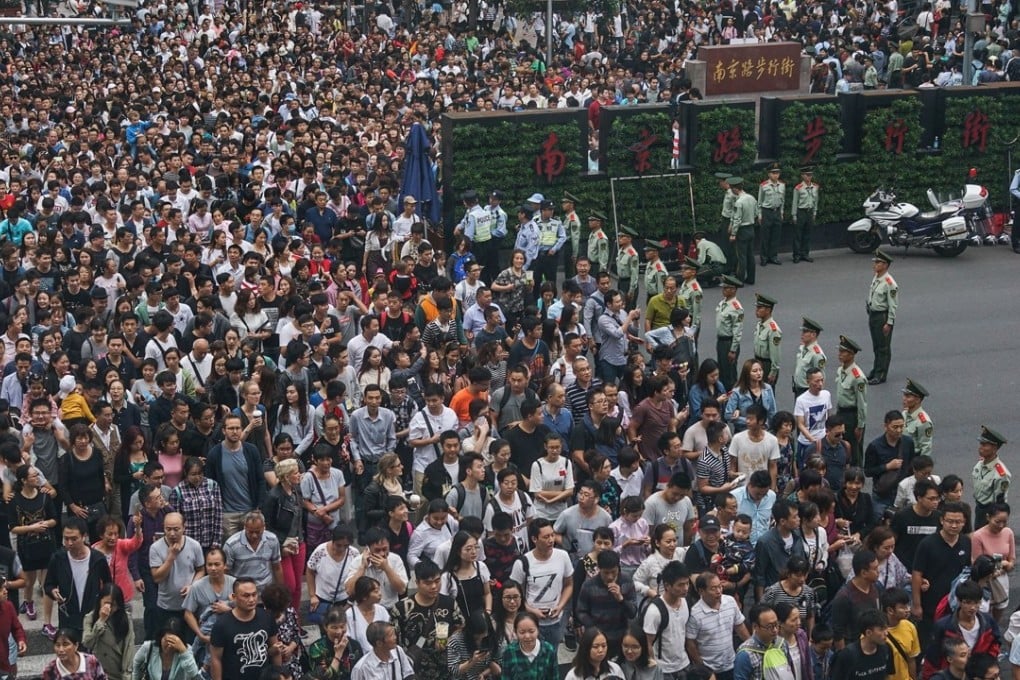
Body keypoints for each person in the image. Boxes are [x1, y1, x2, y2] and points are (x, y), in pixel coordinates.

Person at [389, 558, 462, 678]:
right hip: (414, 668)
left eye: (437, 581)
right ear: (417, 583)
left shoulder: (449, 603)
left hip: (445, 668)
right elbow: (394, 640)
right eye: (428, 583)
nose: (434, 586)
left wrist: (450, 641)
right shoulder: (401, 608)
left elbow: (460, 627)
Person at [913, 502, 973, 646]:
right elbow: (916, 574)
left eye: (958, 522)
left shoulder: (966, 542)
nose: (954, 525)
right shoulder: (927, 544)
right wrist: (916, 605)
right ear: (942, 521)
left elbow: (967, 571)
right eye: (950, 521)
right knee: (930, 644)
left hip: (956, 604)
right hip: (931, 604)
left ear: (964, 522)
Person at [509, 518, 574, 648]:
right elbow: (515, 594)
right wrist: (530, 610)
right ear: (534, 539)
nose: (551, 540)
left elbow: (568, 584)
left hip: (555, 620)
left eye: (552, 535)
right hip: (530, 622)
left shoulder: (562, 556)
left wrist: (560, 606)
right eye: (546, 537)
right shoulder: (523, 562)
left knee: (551, 655)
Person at [44, 516, 112, 636]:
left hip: (92, 617)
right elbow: (49, 584)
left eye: (74, 539)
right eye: (66, 539)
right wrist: (53, 591)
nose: (69, 543)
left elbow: (108, 584)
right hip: (68, 618)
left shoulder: (97, 559)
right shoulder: (58, 558)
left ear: (84, 536)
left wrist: (105, 604)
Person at [209, 577, 281, 680]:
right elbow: (216, 659)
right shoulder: (222, 625)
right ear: (234, 597)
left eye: (254, 594)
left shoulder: (267, 617)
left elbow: (275, 649)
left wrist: (279, 675)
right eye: (246, 596)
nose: (251, 599)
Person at [148, 511, 205, 635]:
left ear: (184, 527)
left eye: (176, 529)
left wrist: (193, 586)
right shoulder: (155, 548)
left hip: (189, 606)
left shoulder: (194, 545)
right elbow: (157, 577)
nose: (172, 533)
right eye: (168, 529)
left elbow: (201, 570)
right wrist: (171, 557)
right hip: (166, 606)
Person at [686, 572, 751, 680]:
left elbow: (740, 627)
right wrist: (702, 667)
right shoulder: (695, 614)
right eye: (713, 588)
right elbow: (691, 644)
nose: (719, 591)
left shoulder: (730, 602)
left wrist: (751, 647)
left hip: (732, 664)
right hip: (710, 671)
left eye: (720, 586)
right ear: (701, 591)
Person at [641, 560, 691, 677]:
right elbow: (647, 642)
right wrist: (654, 669)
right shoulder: (654, 611)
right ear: (667, 585)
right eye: (680, 585)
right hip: (663, 670)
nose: (685, 588)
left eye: (687, 583)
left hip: (684, 664)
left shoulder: (685, 602)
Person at [753, 499, 806, 600]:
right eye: (794, 517)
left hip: (796, 593)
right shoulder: (765, 542)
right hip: (776, 596)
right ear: (782, 521)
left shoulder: (798, 536)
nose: (799, 519)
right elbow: (760, 576)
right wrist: (761, 603)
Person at [830, 550, 882, 648]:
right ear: (864, 573)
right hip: (854, 648)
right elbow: (838, 633)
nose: (878, 571)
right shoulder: (844, 597)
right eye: (875, 569)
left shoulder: (877, 588)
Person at [222, 510, 284, 589]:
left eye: (258, 532)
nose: (254, 535)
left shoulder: (272, 540)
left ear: (264, 527)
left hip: (265, 588)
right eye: (250, 532)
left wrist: (281, 589)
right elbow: (226, 572)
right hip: (242, 589)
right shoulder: (231, 544)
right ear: (245, 527)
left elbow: (277, 567)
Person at [82, 584, 133, 680]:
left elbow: (128, 647)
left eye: (113, 605)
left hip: (118, 671)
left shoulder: (125, 619)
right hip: (99, 671)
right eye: (106, 603)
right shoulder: (90, 618)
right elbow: (87, 642)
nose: (110, 608)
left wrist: (127, 674)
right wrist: (101, 621)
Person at [830, 610, 894, 680]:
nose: (886, 633)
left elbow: (888, 675)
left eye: (886, 628)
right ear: (868, 632)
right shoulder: (847, 655)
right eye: (881, 630)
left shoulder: (886, 649)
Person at [834, 335, 868, 465]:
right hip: (841, 413)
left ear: (852, 354)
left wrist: (860, 426)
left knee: (854, 448)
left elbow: (862, 403)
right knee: (841, 444)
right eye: (840, 351)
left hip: (852, 415)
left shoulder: (857, 377)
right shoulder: (840, 370)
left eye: (843, 352)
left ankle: (857, 474)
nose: (839, 354)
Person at [866, 249, 897, 385]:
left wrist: (889, 323)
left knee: (883, 347)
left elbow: (893, 305)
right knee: (876, 346)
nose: (875, 264)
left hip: (882, 317)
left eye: (878, 262)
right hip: (873, 315)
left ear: (885, 265)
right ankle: (876, 370)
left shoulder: (890, 283)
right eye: (875, 262)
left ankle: (881, 374)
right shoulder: (877, 277)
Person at [499, 611, 560, 679]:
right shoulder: (509, 652)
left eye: (531, 631)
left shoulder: (549, 650)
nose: (527, 636)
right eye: (522, 632)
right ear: (516, 632)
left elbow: (554, 677)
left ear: (538, 630)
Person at [971, 426, 1011, 529]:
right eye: (980, 444)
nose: (980, 447)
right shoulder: (979, 464)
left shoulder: (1001, 474)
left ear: (994, 448)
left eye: (984, 445)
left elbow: (1000, 502)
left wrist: (994, 522)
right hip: (979, 509)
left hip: (989, 513)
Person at [349, 620, 415, 680]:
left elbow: (408, 674)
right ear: (379, 643)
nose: (395, 637)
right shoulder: (361, 668)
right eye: (391, 635)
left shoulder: (398, 651)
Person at [882, 588, 921, 680]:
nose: (907, 609)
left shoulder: (910, 627)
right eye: (902, 607)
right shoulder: (874, 632)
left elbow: (911, 659)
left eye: (907, 605)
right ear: (890, 610)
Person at [41, 628, 108, 680]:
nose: (61, 650)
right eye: (57, 645)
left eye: (65, 644)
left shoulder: (91, 661)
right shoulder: (50, 670)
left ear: (76, 645)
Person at [715, 276, 744, 389]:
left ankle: (732, 397)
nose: (723, 290)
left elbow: (738, 330)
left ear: (733, 290)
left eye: (726, 288)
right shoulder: (723, 303)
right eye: (724, 288)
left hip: (729, 342)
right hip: (721, 341)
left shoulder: (736, 308)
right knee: (721, 371)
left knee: (729, 374)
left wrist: (733, 350)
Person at [727, 178, 757, 285]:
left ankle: (740, 279)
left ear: (735, 189)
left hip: (742, 231)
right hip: (751, 228)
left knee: (741, 257)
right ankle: (751, 278)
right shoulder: (752, 198)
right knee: (750, 255)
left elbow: (737, 219)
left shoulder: (739, 202)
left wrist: (733, 233)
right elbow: (756, 213)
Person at [757, 162, 786, 267]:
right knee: (765, 236)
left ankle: (773, 256)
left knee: (776, 235)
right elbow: (759, 201)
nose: (775, 175)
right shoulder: (764, 185)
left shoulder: (782, 185)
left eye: (777, 173)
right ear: (769, 174)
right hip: (767, 212)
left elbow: (783, 200)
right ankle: (764, 257)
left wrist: (781, 213)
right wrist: (759, 215)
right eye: (773, 173)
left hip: (777, 211)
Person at [791, 167, 819, 263]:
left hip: (810, 211)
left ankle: (805, 254)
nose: (809, 177)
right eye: (807, 175)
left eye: (810, 175)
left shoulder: (815, 187)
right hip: (801, 212)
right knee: (798, 234)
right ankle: (796, 255)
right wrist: (794, 215)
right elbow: (795, 202)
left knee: (808, 234)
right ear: (802, 176)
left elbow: (816, 201)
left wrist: (815, 212)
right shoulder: (798, 188)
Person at [901, 379, 934, 457]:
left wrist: (920, 467)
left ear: (917, 400)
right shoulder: (904, 414)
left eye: (908, 396)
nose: (904, 399)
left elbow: (926, 448)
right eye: (904, 395)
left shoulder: (923, 421)